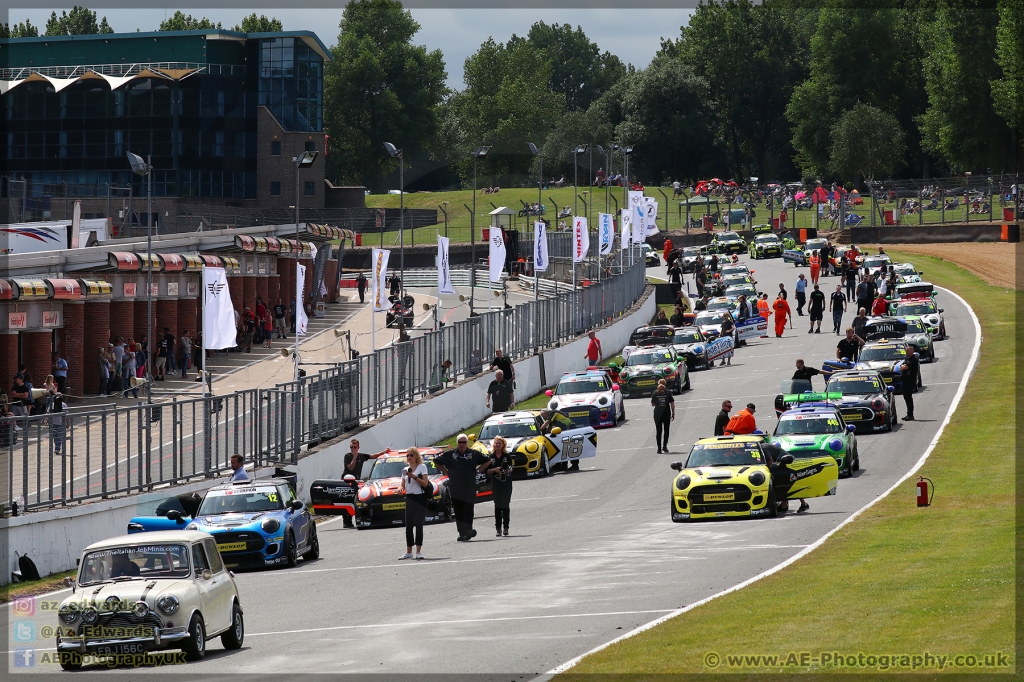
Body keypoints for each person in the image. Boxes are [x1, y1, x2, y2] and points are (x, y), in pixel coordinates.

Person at [435, 434, 491, 541]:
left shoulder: (473, 453)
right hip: (455, 486)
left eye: (464, 442)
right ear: (457, 443)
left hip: (469, 485)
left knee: (468, 508)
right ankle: (461, 532)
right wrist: (446, 472)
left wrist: (478, 470)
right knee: (458, 509)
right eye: (460, 442)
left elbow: (488, 460)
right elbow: (436, 461)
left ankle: (468, 530)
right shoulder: (450, 454)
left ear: (467, 443)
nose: (461, 444)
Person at [399, 447, 430, 560]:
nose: (409, 457)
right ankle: (408, 551)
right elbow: (402, 485)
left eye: (411, 455)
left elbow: (425, 483)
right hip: (410, 497)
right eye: (407, 455)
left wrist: (414, 477)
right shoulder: (405, 469)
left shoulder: (422, 467)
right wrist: (399, 489)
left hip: (420, 497)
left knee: (419, 524)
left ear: (416, 456)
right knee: (408, 525)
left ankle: (418, 551)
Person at [486, 436, 514, 536]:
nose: (497, 444)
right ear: (494, 445)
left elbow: (511, 468)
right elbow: (487, 471)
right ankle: (498, 529)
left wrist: (508, 470)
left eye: (499, 443)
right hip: (496, 484)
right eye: (496, 443)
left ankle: (506, 527)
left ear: (503, 445)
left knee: (505, 506)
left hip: (506, 484)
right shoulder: (490, 457)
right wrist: (494, 470)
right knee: (497, 506)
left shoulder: (507, 456)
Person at [651, 379, 675, 453]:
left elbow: (652, 404)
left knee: (658, 431)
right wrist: (673, 413)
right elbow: (672, 403)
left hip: (657, 413)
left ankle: (659, 449)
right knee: (666, 430)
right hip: (666, 413)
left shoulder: (655, 393)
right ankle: (664, 446)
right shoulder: (668, 392)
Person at [900, 352, 921, 420]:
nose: (907, 353)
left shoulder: (913, 359)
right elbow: (901, 366)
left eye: (908, 351)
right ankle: (908, 414)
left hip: (910, 381)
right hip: (904, 380)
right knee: (905, 396)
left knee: (908, 397)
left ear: (911, 351)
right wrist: (903, 366)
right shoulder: (907, 359)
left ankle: (911, 415)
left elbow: (905, 367)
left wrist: (904, 367)